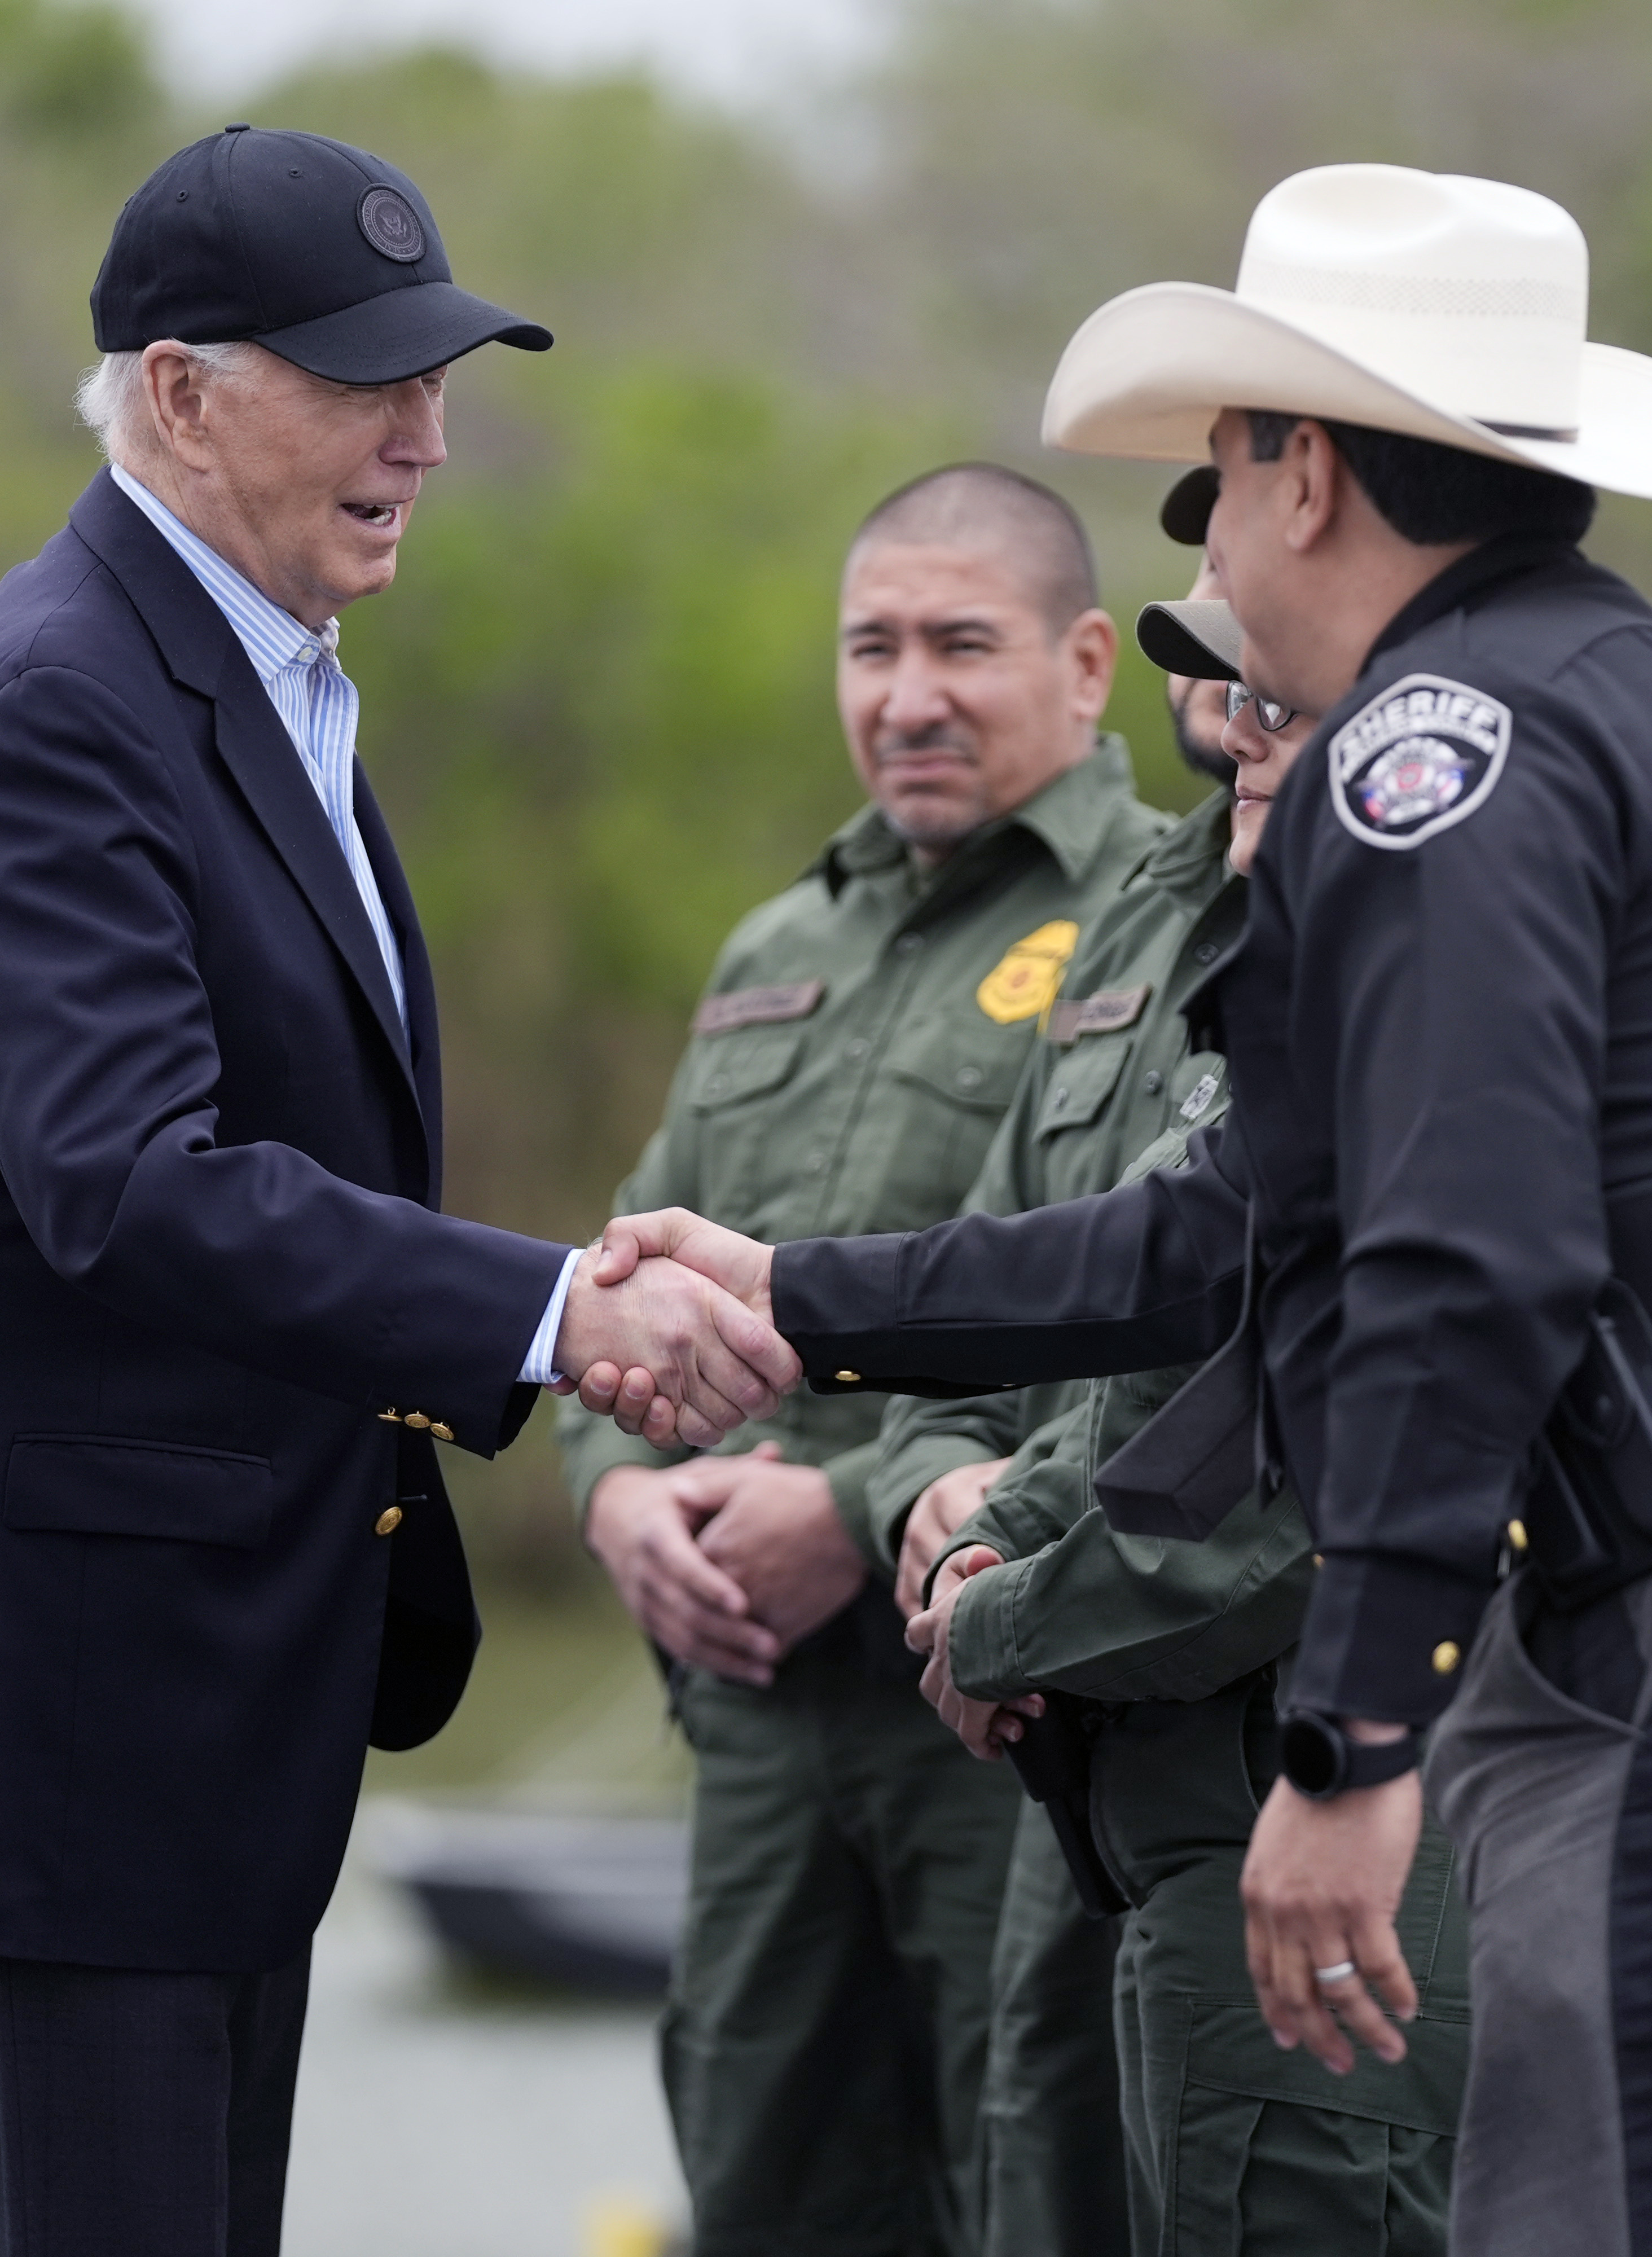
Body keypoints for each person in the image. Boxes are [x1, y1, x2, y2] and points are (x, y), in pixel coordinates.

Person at [586, 163, 1652, 2256]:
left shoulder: (1435, 746)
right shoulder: (1589, 687)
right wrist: (800, 1296)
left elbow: (1458, 1264)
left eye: (1220, 468)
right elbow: (1221, 1239)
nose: (1210, 526)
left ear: (1306, 472)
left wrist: (1359, 1737)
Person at [0, 127, 787, 2257]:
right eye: (362, 381)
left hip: (195, 1735)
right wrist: (554, 1313)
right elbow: (130, 1186)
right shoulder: (63, 702)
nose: (425, 436)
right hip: (65, 1746)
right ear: (178, 393)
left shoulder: (258, 674)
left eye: (438, 379)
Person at [559, 463, 1169, 2257]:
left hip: (1001, 1709)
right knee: (764, 2176)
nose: (907, 695)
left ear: (1081, 665)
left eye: (961, 645)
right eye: (873, 647)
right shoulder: (777, 945)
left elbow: (1171, 1303)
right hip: (758, 1727)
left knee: (1036, 2179)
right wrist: (613, 1505)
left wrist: (847, 1502)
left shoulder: (1160, 923)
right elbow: (627, 1257)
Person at [882, 547, 1474, 2256]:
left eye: (1289, 702)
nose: (1245, 736)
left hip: (1335, 1820)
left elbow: (1302, 1490)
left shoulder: (1444, 1015)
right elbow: (1123, 1348)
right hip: (1149, 1809)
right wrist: (970, 1522)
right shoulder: (1213, 947)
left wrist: (995, 1629)